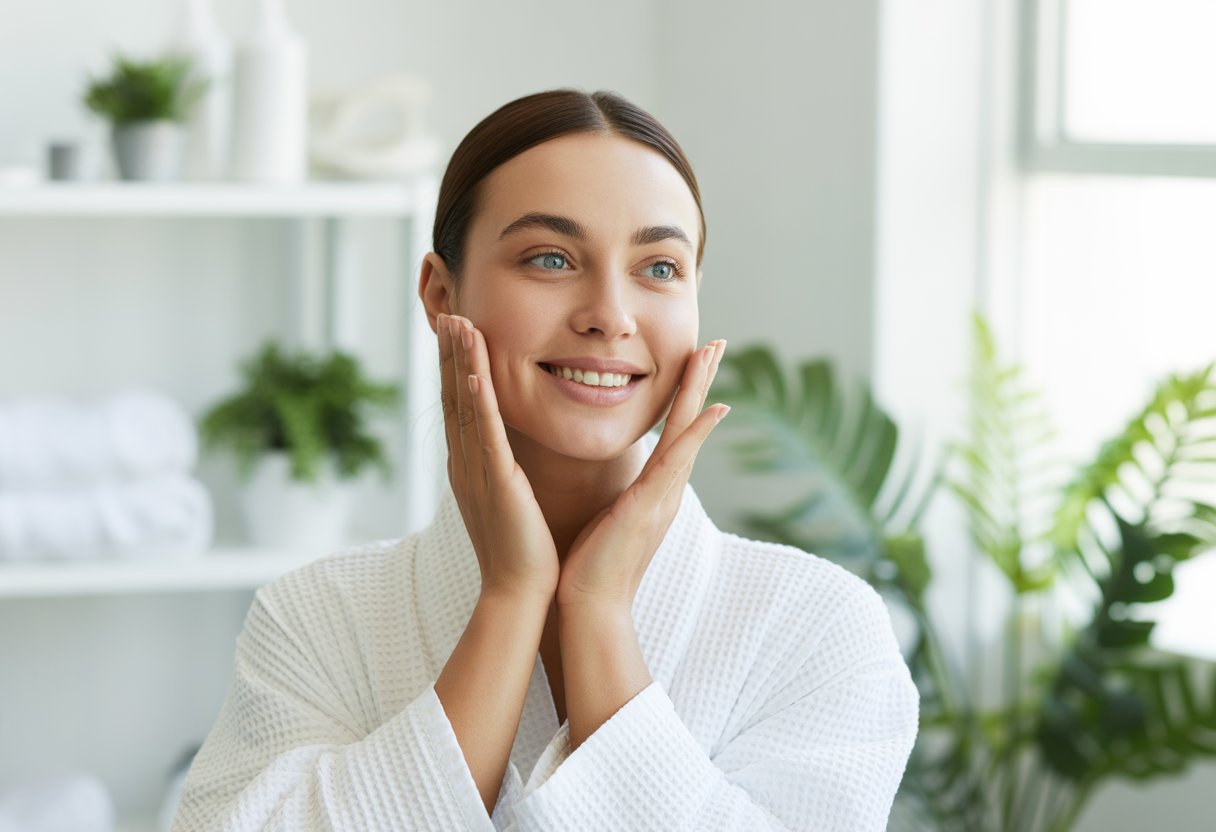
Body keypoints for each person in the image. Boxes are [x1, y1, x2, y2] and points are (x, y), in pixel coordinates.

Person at [171, 88, 919, 831]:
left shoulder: (819, 626)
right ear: (440, 292)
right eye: (551, 258)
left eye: (659, 268)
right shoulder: (316, 617)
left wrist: (597, 615)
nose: (611, 315)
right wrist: (510, 597)